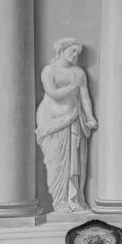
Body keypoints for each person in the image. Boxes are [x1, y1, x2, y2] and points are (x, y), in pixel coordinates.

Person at [36, 38, 96, 213]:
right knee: (55, 163)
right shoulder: (49, 70)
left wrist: (90, 117)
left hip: (74, 119)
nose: (75, 55)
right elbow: (53, 94)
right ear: (62, 50)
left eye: (78, 53)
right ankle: (59, 201)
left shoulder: (79, 72)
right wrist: (72, 86)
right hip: (51, 121)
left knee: (74, 162)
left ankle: (74, 199)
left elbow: (85, 96)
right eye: (72, 51)